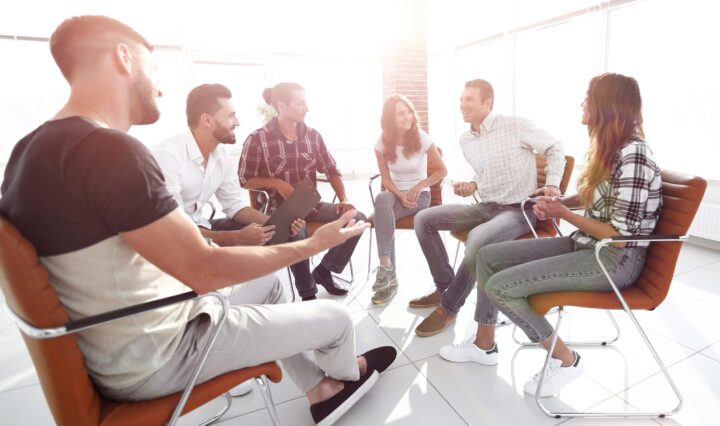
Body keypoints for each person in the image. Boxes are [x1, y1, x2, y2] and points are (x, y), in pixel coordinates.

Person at [0, 16, 395, 425]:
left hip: (120, 342)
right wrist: (314, 244)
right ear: (122, 58)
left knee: (273, 284)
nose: (160, 86)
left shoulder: (29, 152)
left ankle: (320, 389)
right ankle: (348, 376)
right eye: (152, 67)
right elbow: (205, 270)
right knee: (336, 319)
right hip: (159, 354)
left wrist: (264, 233)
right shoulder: (109, 151)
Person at [441, 73, 661, 398]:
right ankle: (483, 345)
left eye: (588, 97)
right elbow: (596, 198)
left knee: (502, 287)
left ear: (607, 104)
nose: (583, 103)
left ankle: (566, 359)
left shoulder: (634, 154)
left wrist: (564, 215)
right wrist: (561, 201)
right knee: (487, 255)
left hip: (614, 260)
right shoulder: (611, 148)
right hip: (587, 246)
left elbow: (620, 236)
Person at [410, 79, 566, 337]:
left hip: (518, 211)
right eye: (461, 100)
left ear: (488, 103)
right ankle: (445, 285)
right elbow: (485, 173)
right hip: (484, 206)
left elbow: (555, 147)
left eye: (468, 100)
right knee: (423, 219)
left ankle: (449, 307)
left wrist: (552, 184)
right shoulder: (466, 139)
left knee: (478, 239)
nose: (462, 105)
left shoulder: (515, 125)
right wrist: (472, 185)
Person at [239, 82, 366, 301]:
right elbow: (244, 179)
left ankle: (324, 270)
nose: (306, 108)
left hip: (309, 205)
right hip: (276, 212)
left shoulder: (313, 136)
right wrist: (276, 183)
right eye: (301, 103)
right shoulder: (257, 139)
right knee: (296, 231)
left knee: (357, 218)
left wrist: (344, 198)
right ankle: (308, 295)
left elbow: (331, 169)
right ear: (281, 105)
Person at [153, 83, 304, 247]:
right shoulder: (168, 156)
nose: (237, 122)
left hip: (200, 226)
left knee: (282, 231)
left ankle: (305, 273)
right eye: (231, 116)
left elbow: (234, 205)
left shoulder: (222, 156)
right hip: (169, 239)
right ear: (207, 120)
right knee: (248, 237)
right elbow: (173, 228)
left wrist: (278, 223)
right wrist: (235, 238)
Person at [370, 94, 447, 304]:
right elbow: (385, 178)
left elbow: (442, 171)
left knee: (381, 216)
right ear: (389, 119)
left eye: (409, 112)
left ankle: (388, 279)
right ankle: (386, 268)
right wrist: (400, 195)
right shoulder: (381, 143)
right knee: (382, 199)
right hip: (395, 195)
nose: (407, 117)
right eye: (400, 114)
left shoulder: (422, 138)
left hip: (419, 196)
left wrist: (419, 186)